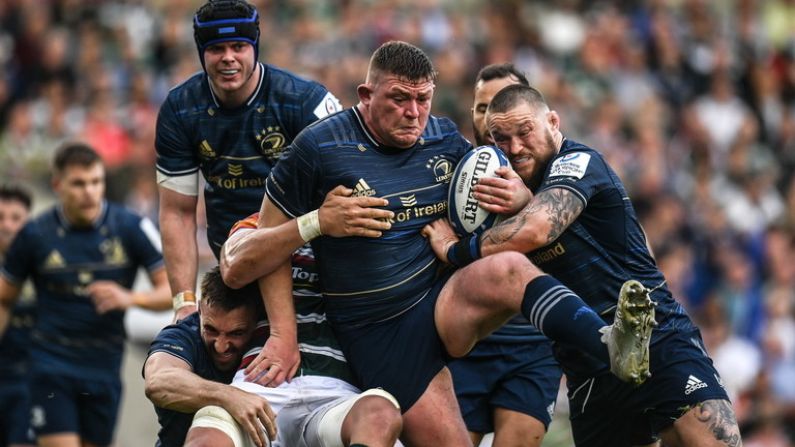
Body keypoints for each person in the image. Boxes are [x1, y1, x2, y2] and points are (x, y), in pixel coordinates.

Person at [224, 41, 652, 446]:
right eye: (399, 99)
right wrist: (284, 329)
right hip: (382, 332)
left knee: (508, 270)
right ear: (365, 94)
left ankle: (607, 342)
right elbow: (265, 244)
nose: (414, 113)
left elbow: (509, 203)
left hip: (442, 301)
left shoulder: (446, 140)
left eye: (423, 99)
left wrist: (519, 198)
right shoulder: (319, 148)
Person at [425, 84, 744, 445]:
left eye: (525, 132)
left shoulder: (577, 161)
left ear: (553, 121)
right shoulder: (498, 200)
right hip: (587, 368)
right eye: (502, 139)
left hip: (653, 338)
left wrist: (455, 249)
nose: (514, 148)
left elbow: (537, 228)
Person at [155, 0, 342, 321]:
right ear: (202, 53)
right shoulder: (180, 108)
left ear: (255, 47)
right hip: (233, 264)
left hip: (307, 261)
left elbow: (343, 187)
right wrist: (184, 302)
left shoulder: (305, 102)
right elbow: (177, 211)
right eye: (216, 49)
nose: (228, 57)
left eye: (239, 46)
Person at [0, 142, 171, 447]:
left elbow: (172, 291)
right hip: (50, 364)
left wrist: (130, 298)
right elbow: (4, 298)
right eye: (78, 184)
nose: (89, 191)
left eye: (96, 182)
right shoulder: (35, 234)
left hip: (104, 365)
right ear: (57, 185)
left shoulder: (131, 227)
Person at [448, 63, 562, 447]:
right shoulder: (449, 174)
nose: (489, 117)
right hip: (468, 341)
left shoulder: (557, 173)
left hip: (533, 344)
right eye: (481, 108)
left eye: (500, 104)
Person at [0, 185, 35, 447]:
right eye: (0, 218)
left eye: (15, 218)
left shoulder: (43, 268)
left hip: (31, 381)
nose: (7, 226)